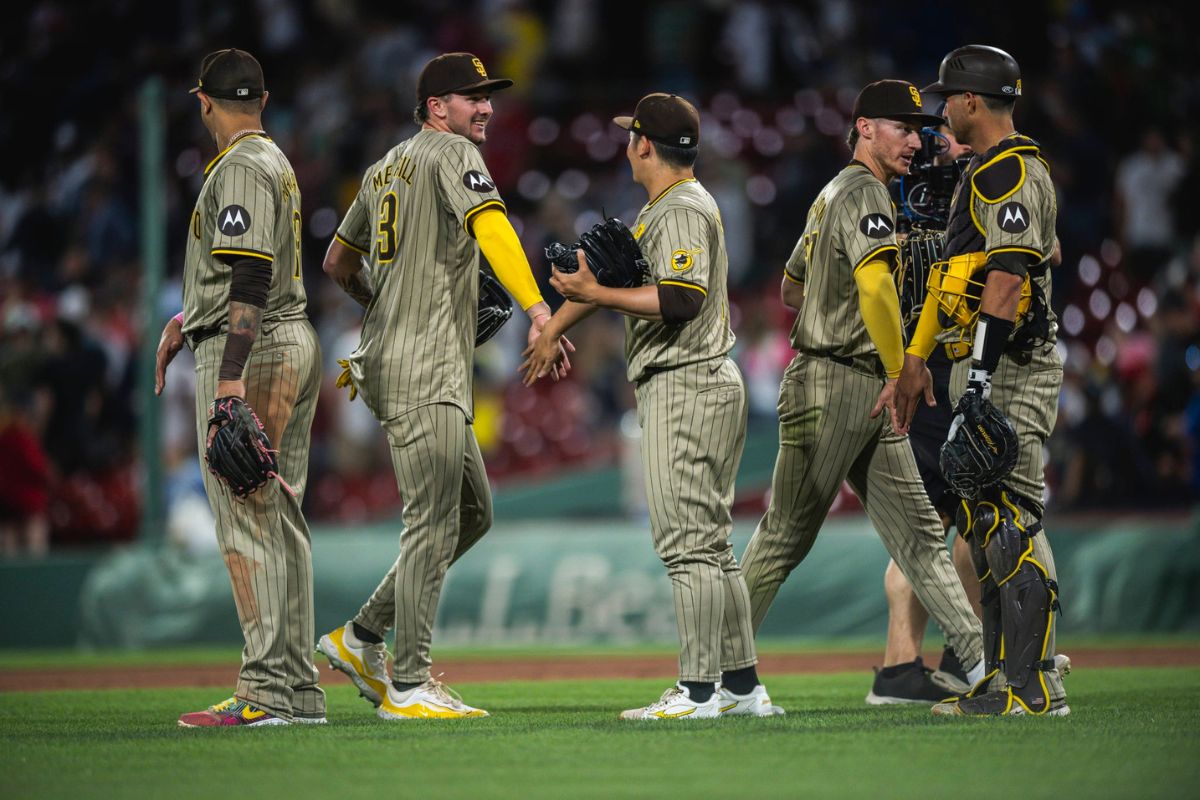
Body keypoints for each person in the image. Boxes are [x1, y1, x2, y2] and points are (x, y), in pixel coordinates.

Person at [315, 52, 568, 720]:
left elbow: (337, 260)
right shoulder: (451, 154)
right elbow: (492, 226)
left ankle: (362, 635)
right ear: (436, 108)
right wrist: (540, 311)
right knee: (429, 521)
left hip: (402, 357)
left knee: (473, 514)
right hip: (425, 363)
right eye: (470, 97)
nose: (484, 107)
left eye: (487, 97)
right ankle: (409, 683)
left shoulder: (382, 167)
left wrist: (384, 301)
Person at [524, 93, 782, 720]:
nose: (626, 145)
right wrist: (557, 323)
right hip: (699, 381)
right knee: (711, 547)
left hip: (685, 381)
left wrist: (599, 293)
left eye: (630, 137)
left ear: (645, 145)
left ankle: (697, 691)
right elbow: (613, 284)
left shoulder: (685, 206)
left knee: (688, 544)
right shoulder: (663, 208)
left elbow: (683, 298)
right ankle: (743, 688)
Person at [736, 80, 986, 696]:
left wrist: (846, 317)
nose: (915, 138)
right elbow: (875, 288)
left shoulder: (830, 196)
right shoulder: (867, 192)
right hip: (839, 381)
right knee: (784, 538)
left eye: (919, 127)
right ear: (865, 128)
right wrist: (903, 364)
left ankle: (984, 669)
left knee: (924, 540)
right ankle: (715, 675)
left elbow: (794, 286)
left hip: (859, 382)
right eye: (902, 127)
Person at [897, 45, 1070, 716]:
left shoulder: (1009, 171)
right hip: (991, 361)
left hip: (1011, 364)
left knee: (1012, 521)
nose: (941, 109)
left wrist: (981, 380)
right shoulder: (995, 171)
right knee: (984, 521)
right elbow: (1033, 251)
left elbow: (1007, 278)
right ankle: (1007, 678)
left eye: (948, 98)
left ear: (972, 101)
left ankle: (1034, 686)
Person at [155, 49, 326, 727]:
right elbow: (249, 270)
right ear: (261, 100)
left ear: (204, 102)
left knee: (247, 519)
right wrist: (183, 319)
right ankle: (295, 692)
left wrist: (227, 376)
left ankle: (266, 692)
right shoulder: (272, 160)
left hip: (251, 351)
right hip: (278, 339)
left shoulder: (243, 165)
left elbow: (252, 275)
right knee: (277, 518)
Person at [870, 122, 981, 705]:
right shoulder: (983, 189)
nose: (941, 149)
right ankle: (965, 658)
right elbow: (1041, 254)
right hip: (938, 369)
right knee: (972, 521)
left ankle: (899, 668)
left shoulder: (880, 200)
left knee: (923, 532)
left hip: (909, 372)